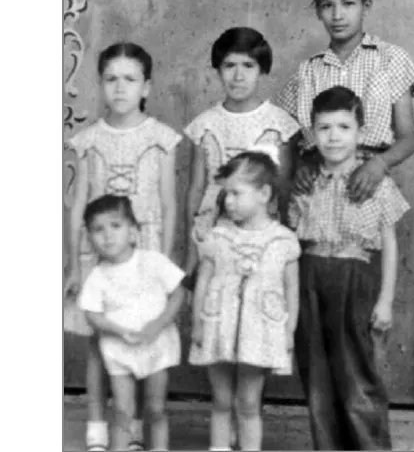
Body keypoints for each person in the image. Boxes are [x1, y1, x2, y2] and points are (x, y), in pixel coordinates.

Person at [64, 42, 182, 451]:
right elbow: (77, 203)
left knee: (141, 338)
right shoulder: (88, 140)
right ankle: (99, 427)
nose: (120, 88)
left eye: (130, 79)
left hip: (143, 250)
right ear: (100, 85)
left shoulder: (161, 139)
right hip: (96, 254)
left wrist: (164, 260)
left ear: (146, 87)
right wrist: (74, 266)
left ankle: (134, 427)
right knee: (101, 344)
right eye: (111, 79)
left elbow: (169, 203)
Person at [287, 86, 410, 450]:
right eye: (324, 128)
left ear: (360, 132)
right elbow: (290, 243)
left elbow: (389, 244)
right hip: (309, 278)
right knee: (317, 375)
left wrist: (385, 300)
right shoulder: (305, 182)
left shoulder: (377, 183)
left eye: (343, 127)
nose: (334, 136)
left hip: (355, 281)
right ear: (312, 132)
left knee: (357, 376)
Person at [275, 0, 414, 203]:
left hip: (369, 186)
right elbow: (285, 139)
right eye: (327, 5)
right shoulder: (308, 71)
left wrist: (378, 164)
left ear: (366, 6)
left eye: (348, 4)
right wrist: (300, 165)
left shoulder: (390, 59)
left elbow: (409, 138)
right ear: (318, 11)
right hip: (316, 194)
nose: (337, 15)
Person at [189, 151, 300, 451]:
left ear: (264, 194)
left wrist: (289, 331)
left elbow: (292, 290)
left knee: (249, 402)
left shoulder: (283, 241)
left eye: (237, 193)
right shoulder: (218, 236)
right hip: (218, 326)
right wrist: (197, 321)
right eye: (226, 194)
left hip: (260, 331)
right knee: (221, 400)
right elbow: (203, 281)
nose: (228, 201)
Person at [183, 27, 300, 282]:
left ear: (261, 70)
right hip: (212, 229)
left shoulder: (279, 124)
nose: (238, 76)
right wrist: (192, 250)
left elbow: (284, 190)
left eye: (248, 65)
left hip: (261, 230)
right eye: (229, 65)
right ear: (218, 69)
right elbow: (196, 189)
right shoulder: (204, 124)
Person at [78, 195, 185, 452]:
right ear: (90, 239)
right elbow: (91, 314)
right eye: (98, 230)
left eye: (115, 226)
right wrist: (118, 330)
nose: (107, 235)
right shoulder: (98, 276)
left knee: (156, 408)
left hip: (156, 344)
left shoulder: (153, 261)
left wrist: (158, 324)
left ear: (134, 232)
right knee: (123, 410)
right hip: (119, 350)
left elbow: (179, 292)